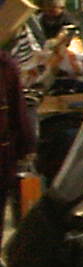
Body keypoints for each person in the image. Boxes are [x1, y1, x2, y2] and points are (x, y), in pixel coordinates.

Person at [0, 43, 32, 247]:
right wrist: (26, 147)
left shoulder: (6, 66)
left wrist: (26, 146)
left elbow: (17, 112)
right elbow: (18, 112)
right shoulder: (5, 66)